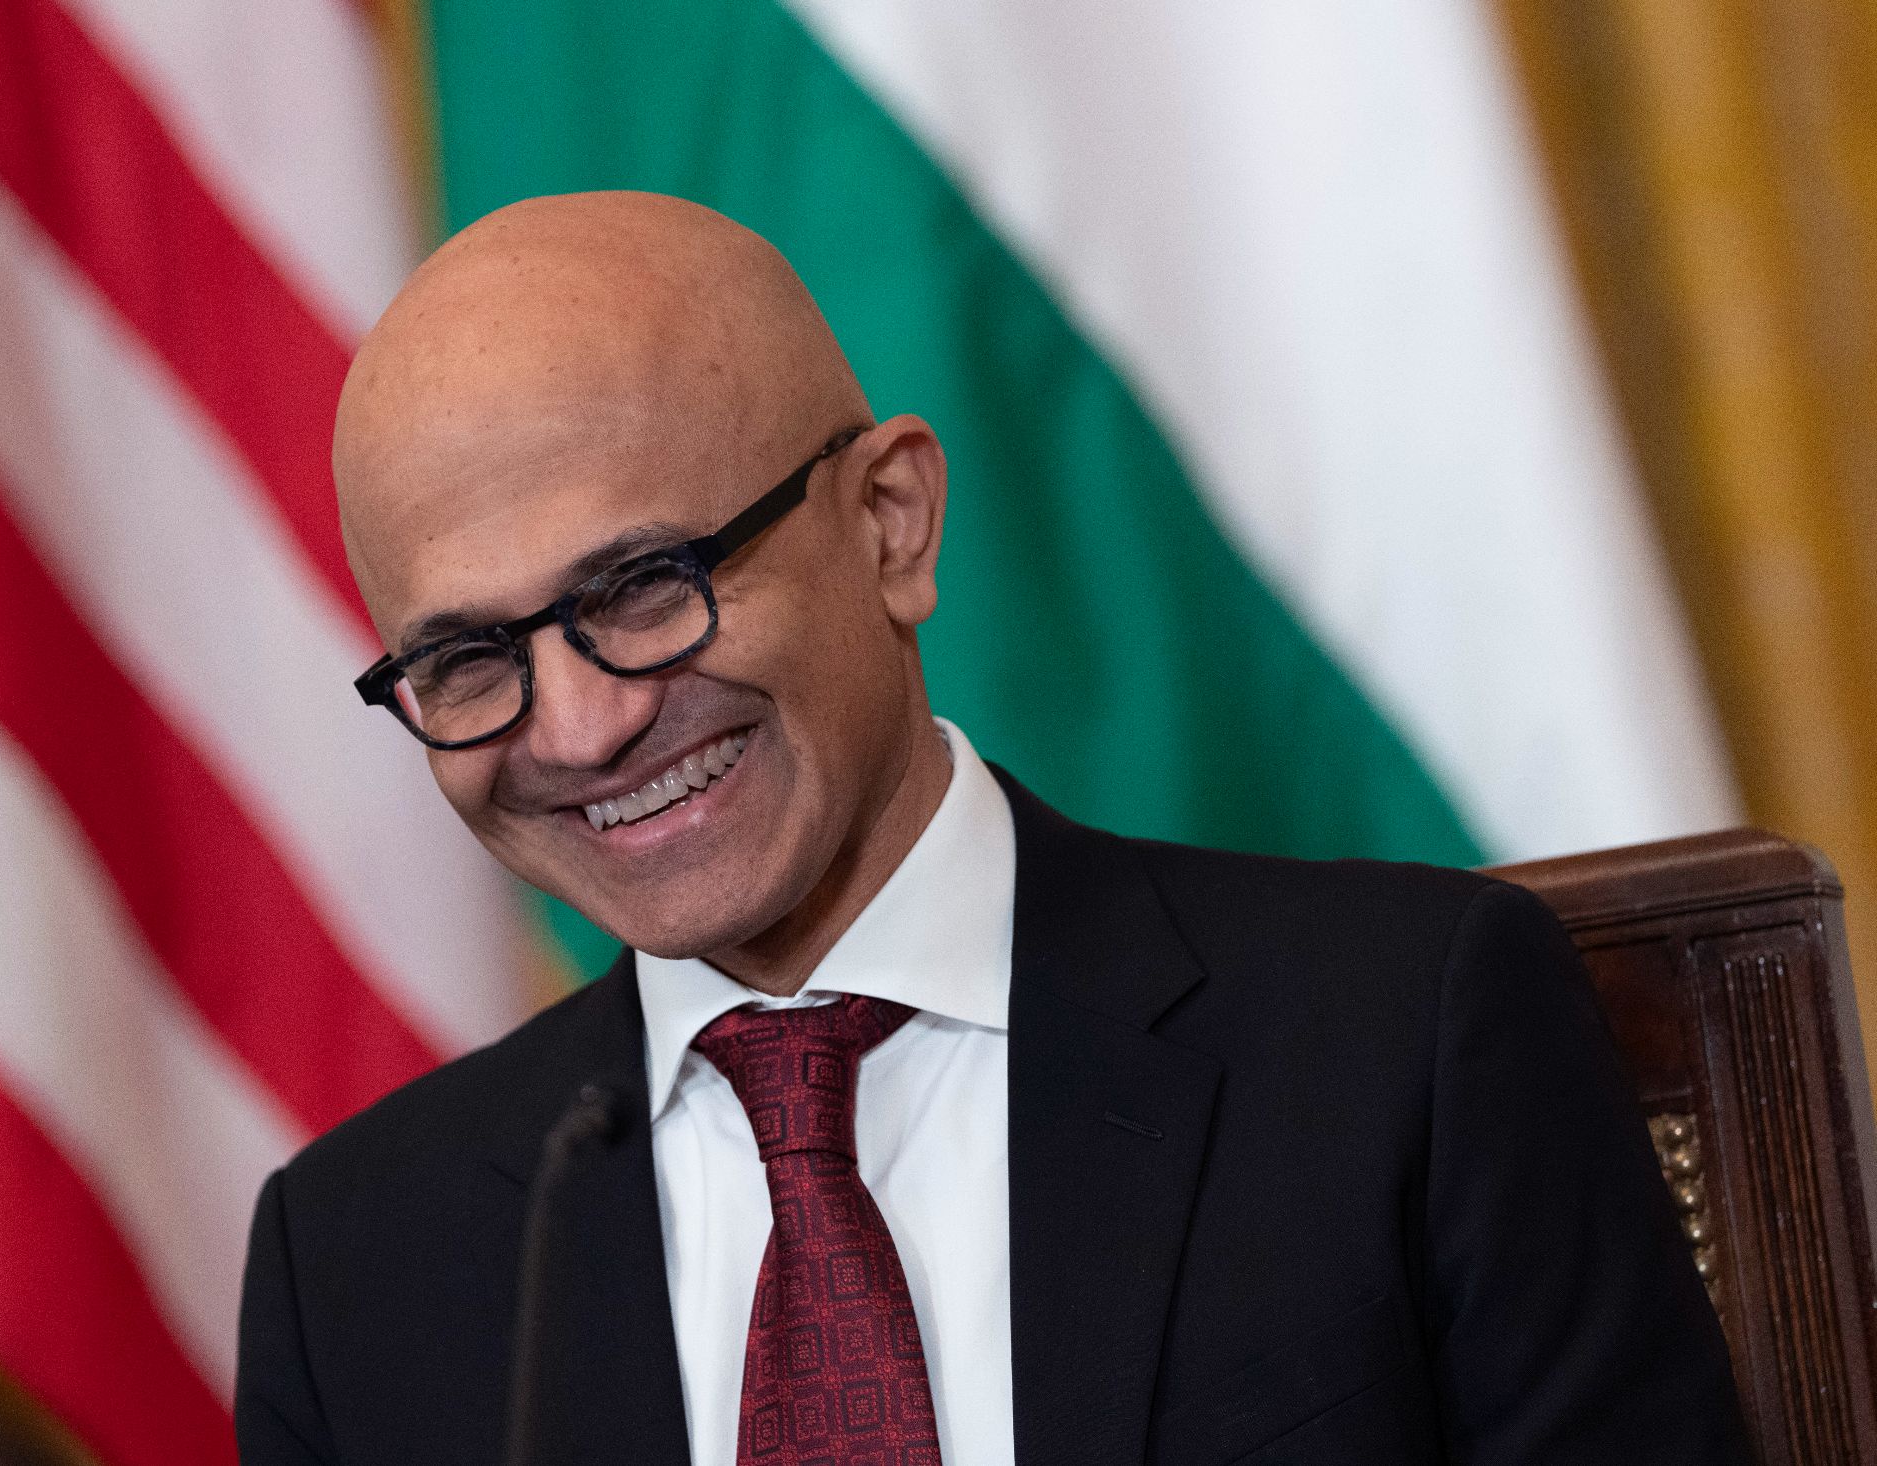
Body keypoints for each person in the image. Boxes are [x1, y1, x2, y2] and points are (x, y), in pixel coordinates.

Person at [236, 192, 1750, 1466]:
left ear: (890, 523)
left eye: (641, 587)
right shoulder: (357, 1263)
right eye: (467, 660)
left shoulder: (1406, 1033)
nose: (578, 729)